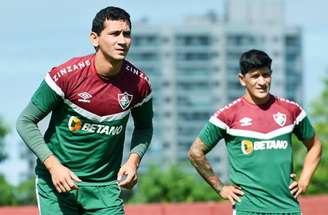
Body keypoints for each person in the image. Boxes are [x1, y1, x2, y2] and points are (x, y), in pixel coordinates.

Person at [16, 6, 153, 215]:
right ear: (94, 39)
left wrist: (133, 161)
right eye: (114, 33)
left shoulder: (139, 84)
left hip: (105, 189)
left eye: (127, 34)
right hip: (58, 184)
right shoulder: (66, 76)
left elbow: (144, 127)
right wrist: (54, 167)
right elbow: (25, 121)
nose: (122, 40)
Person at [188, 49, 322, 214]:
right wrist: (221, 188)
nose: (262, 81)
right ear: (242, 80)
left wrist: (304, 181)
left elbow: (315, 145)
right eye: (255, 76)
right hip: (248, 209)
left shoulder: (291, 110)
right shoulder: (228, 115)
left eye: (266, 75)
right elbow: (195, 152)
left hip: (289, 207)